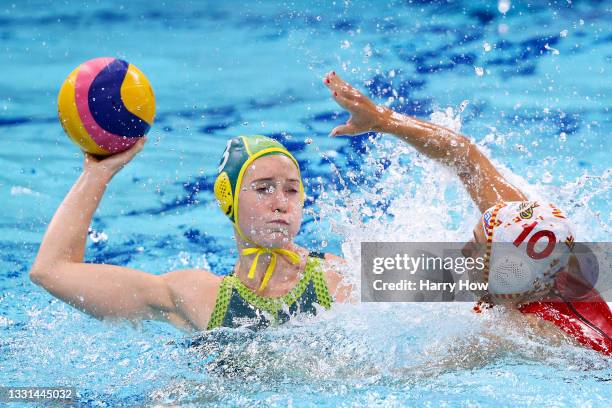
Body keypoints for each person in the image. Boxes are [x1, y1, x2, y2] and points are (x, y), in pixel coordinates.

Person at [323, 70, 612, 355]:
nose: (462, 251)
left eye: (475, 247)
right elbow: (464, 156)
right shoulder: (523, 231)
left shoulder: (533, 330)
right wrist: (383, 120)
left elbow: (424, 374)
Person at [30, 135, 353, 332]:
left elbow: (406, 274)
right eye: (263, 189)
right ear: (227, 198)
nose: (281, 203)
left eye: (292, 191)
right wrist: (97, 174)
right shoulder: (200, 298)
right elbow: (51, 270)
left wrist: (388, 124)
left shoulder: (338, 276)